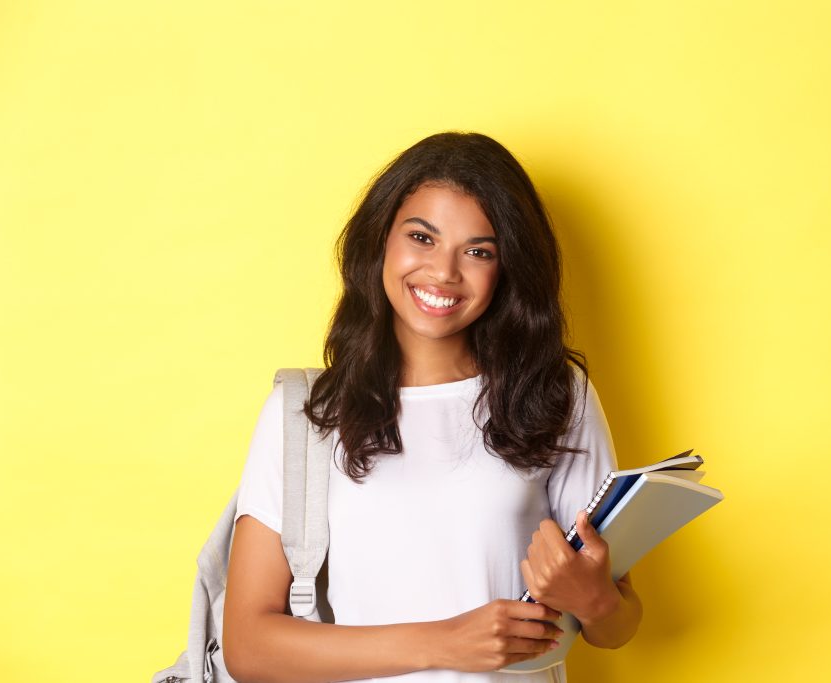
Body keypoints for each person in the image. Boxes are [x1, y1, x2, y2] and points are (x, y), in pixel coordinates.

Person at [222, 132, 643, 683]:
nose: (444, 272)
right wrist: (444, 642)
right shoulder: (306, 411)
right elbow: (248, 646)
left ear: (506, 267)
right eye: (422, 237)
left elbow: (618, 627)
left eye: (478, 251)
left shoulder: (555, 394)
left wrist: (597, 601)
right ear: (381, 241)